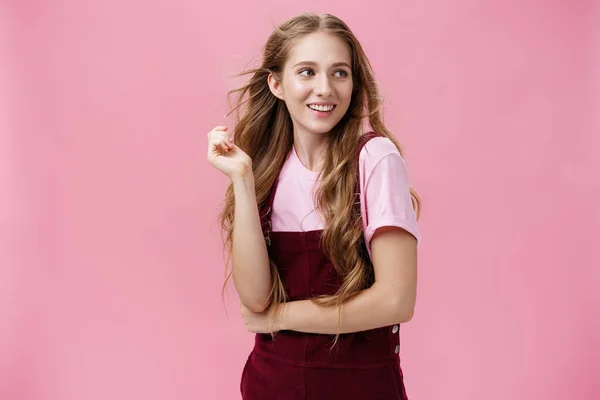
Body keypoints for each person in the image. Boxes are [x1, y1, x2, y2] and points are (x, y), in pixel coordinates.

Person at [207, 12, 422, 400]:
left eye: (339, 73)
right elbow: (255, 298)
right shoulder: (266, 172)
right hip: (272, 386)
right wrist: (241, 179)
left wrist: (279, 317)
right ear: (276, 84)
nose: (325, 88)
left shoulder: (375, 158)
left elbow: (396, 300)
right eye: (307, 72)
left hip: (361, 390)